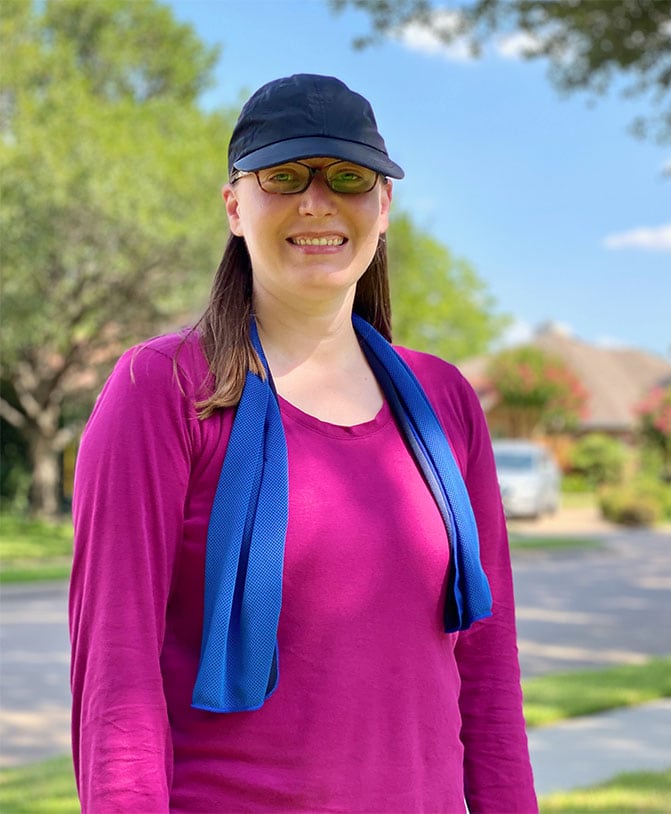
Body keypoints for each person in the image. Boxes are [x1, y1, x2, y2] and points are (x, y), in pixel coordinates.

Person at [69, 73, 538, 813]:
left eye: (348, 177)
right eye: (283, 176)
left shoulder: (446, 401)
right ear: (234, 205)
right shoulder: (161, 391)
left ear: (383, 207)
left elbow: (486, 668)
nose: (316, 202)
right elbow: (116, 678)